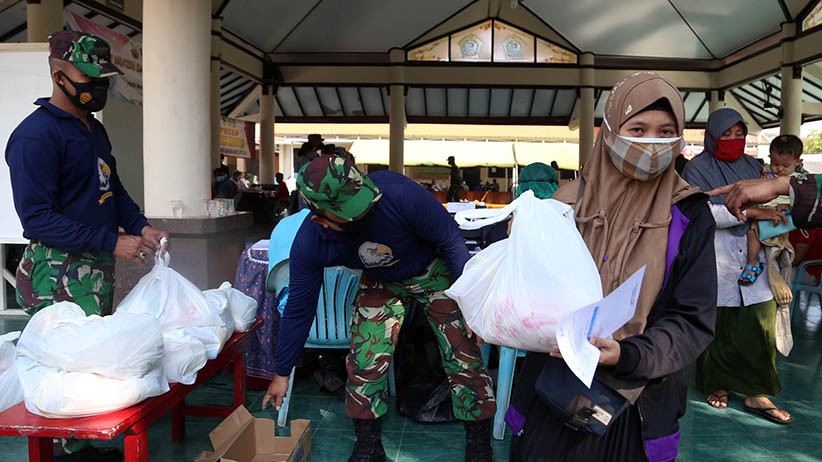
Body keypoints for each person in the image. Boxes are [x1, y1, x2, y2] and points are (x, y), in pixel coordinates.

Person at [509, 72, 717, 461]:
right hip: (551, 387)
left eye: (665, 132)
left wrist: (628, 354)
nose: (651, 143)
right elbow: (526, 294)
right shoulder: (564, 205)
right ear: (609, 132)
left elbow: (693, 318)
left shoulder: (689, 214)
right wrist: (520, 247)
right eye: (637, 129)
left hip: (638, 402)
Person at [262, 156, 495, 462]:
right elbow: (299, 308)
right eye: (352, 214)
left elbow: (451, 240)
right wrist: (282, 371)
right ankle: (368, 448)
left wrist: (471, 306)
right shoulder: (311, 242)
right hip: (381, 280)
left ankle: (479, 445)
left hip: (432, 270)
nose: (364, 213)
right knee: (364, 359)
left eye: (364, 203)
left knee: (463, 351)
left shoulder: (399, 193)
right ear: (322, 219)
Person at [5, 30, 169, 461]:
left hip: (93, 268)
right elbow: (37, 219)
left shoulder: (93, 130)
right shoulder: (36, 137)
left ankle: (82, 446)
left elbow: (111, 189)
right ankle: (65, 452)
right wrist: (111, 241)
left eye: (103, 79)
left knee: (89, 365)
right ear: (58, 76)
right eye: (88, 78)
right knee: (65, 367)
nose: (97, 87)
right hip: (56, 273)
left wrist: (140, 227)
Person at [681, 108, 791, 424]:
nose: (734, 140)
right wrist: (753, 212)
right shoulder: (697, 169)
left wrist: (773, 213)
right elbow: (701, 212)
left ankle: (757, 391)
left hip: (756, 254)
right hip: (717, 255)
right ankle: (719, 384)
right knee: (720, 323)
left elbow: (773, 200)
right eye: (726, 135)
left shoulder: (753, 167)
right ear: (712, 137)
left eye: (739, 134)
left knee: (759, 321)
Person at [737, 135, 802, 285]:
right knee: (751, 232)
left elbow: (804, 202)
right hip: (763, 212)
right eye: (775, 164)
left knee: (772, 245)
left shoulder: (799, 180)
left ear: (798, 162)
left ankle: (765, 269)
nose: (780, 169)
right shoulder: (764, 171)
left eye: (786, 166)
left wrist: (789, 206)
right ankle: (752, 263)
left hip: (784, 215)